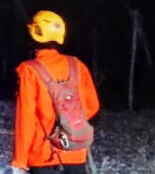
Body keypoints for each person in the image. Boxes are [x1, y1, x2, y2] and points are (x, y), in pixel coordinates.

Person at [10, 10, 100, 174]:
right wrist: (69, 124)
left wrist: (20, 160)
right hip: (76, 151)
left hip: (43, 155)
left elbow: (25, 118)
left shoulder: (28, 71)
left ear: (33, 35)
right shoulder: (77, 65)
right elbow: (92, 106)